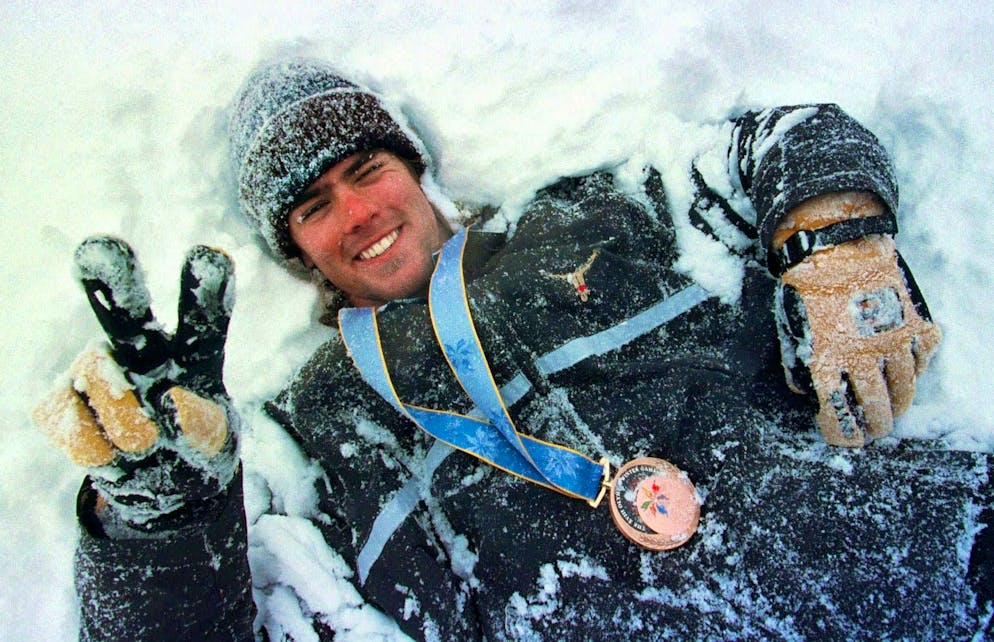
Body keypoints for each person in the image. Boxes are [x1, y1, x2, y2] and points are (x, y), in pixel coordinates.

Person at [33, 57, 992, 641]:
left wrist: (837, 244)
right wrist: (159, 528)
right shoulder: (311, 435)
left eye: (367, 170)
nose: (357, 213)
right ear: (299, 255)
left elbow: (776, 140)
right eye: (313, 208)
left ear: (414, 167)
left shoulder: (594, 212)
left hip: (935, 559)